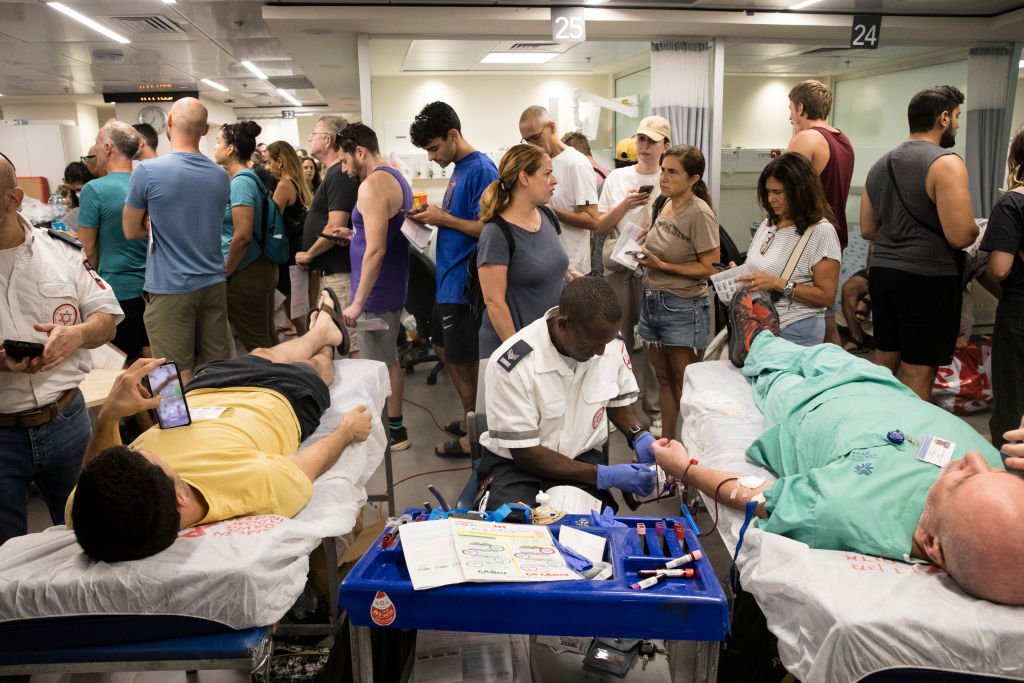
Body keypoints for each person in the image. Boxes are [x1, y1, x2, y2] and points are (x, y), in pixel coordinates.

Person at [654, 328, 1024, 607]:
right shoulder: (1000, 486)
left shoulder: (850, 509)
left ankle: (756, 339)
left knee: (768, 362)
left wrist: (685, 469)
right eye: (991, 472)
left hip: (804, 403)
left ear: (931, 545)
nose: (974, 459)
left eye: (962, 480)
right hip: (879, 385)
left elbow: (754, 494)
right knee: (825, 352)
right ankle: (763, 335)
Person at [66, 289, 371, 562]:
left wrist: (109, 416)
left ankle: (321, 331)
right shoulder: (250, 487)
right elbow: (305, 467)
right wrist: (346, 432)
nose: (136, 447)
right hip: (278, 397)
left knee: (263, 354)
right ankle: (325, 341)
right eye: (144, 454)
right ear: (181, 498)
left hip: (202, 392)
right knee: (314, 367)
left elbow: (93, 473)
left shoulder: (94, 512)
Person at [0, 152, 122, 545]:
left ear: (13, 199)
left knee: (88, 534)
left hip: (66, 420)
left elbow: (106, 318)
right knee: (5, 552)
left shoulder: (61, 251)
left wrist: (77, 335)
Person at [477, 277, 657, 511]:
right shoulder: (513, 364)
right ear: (563, 324)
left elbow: (616, 400)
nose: (600, 352)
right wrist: (604, 476)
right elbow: (525, 453)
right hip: (517, 466)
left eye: (605, 343)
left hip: (581, 457)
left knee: (591, 529)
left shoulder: (606, 341)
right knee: (515, 526)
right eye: (592, 344)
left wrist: (637, 435)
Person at [860, 85, 978, 401]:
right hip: (927, 277)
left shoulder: (880, 164)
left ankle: (875, 422)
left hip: (883, 274)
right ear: (943, 118)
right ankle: (907, 431)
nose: (957, 124)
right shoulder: (946, 163)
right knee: (917, 370)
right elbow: (959, 235)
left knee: (884, 361)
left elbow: (868, 229)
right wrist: (976, 231)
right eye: (957, 116)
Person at [408, 101, 499, 458]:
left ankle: (476, 435)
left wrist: (443, 219)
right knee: (447, 350)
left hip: (465, 284)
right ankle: (470, 418)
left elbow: (490, 229)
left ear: (453, 135)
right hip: (448, 279)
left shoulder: (482, 169)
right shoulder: (461, 168)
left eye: (434, 148)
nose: (431, 158)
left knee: (463, 360)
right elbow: (463, 217)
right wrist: (434, 216)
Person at [123, 97, 233, 385]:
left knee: (170, 375)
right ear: (205, 130)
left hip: (170, 285)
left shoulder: (147, 171)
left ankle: (174, 416)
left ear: (169, 122)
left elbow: (130, 230)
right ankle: (217, 414)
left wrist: (155, 225)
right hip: (213, 282)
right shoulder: (220, 176)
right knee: (217, 370)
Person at [337, 123, 414, 451]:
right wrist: (354, 235)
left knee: (377, 364)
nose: (344, 169)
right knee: (387, 359)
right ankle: (393, 429)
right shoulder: (395, 177)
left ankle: (392, 433)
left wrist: (357, 302)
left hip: (377, 292)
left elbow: (377, 250)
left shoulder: (372, 185)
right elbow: (380, 234)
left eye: (345, 160)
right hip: (388, 286)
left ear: (360, 151)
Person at [595, 116, 671, 437]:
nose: (644, 146)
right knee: (615, 340)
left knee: (654, 342)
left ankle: (654, 410)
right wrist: (625, 204)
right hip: (619, 265)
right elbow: (599, 226)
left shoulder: (669, 178)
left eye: (652, 140)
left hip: (655, 267)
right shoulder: (617, 178)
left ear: (665, 145)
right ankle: (617, 409)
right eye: (641, 139)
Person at [475, 144, 568, 409]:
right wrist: (520, 354)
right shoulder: (496, 233)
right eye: (547, 173)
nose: (554, 180)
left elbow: (550, 265)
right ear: (524, 178)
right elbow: (494, 302)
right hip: (512, 350)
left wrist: (572, 276)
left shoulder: (547, 215)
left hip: (548, 346)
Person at [638, 145, 719, 442]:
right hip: (653, 300)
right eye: (663, 170)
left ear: (693, 178)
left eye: (673, 172)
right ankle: (668, 444)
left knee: (686, 383)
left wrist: (663, 266)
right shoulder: (663, 203)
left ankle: (695, 447)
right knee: (663, 379)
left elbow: (710, 267)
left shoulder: (699, 213)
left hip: (683, 305)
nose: (664, 177)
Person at [738, 153, 841, 346]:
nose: (771, 199)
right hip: (760, 324)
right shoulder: (768, 224)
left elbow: (826, 296)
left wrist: (777, 283)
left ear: (799, 191)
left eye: (778, 192)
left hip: (795, 328)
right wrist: (739, 273)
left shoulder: (821, 232)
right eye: (768, 192)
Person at [786, 80, 855, 346]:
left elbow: (785, 194)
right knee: (827, 321)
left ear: (801, 108)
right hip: (833, 240)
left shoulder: (806, 139)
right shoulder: (843, 140)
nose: (790, 117)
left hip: (806, 241)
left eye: (791, 109)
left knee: (800, 322)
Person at [76, 120, 149, 362]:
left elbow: (87, 251)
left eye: (97, 143)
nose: (94, 150)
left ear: (108, 148)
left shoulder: (94, 190)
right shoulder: (149, 182)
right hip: (154, 289)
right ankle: (164, 390)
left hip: (118, 291)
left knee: (121, 365)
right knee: (155, 361)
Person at [213, 121, 279, 352]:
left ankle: (275, 376)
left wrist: (226, 272)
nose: (215, 147)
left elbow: (242, 236)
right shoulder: (248, 179)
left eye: (218, 142)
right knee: (266, 341)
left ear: (230, 148)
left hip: (246, 271)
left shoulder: (241, 183)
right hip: (256, 267)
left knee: (258, 345)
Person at [296, 115, 359, 353]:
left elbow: (336, 226)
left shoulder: (339, 175)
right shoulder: (332, 174)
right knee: (333, 341)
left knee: (351, 343)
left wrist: (309, 254)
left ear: (328, 140)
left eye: (314, 134)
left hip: (339, 274)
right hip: (331, 273)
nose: (310, 139)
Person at [979, 124, 1024, 451]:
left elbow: (998, 268)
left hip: (1020, 314)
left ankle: (1008, 473)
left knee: (1013, 396)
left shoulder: (1013, 204)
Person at [518, 106, 598, 274]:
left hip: (571, 267)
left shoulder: (577, 164)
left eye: (535, 138)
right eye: (526, 140)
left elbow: (592, 220)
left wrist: (550, 211)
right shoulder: (534, 163)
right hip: (541, 263)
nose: (531, 145)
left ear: (552, 127)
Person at [267, 140, 312, 337]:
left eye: (269, 162)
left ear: (280, 161)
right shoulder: (298, 183)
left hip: (288, 252)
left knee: (293, 306)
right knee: (297, 304)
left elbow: (271, 220)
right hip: (297, 247)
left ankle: (308, 342)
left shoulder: (284, 185)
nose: (267, 167)